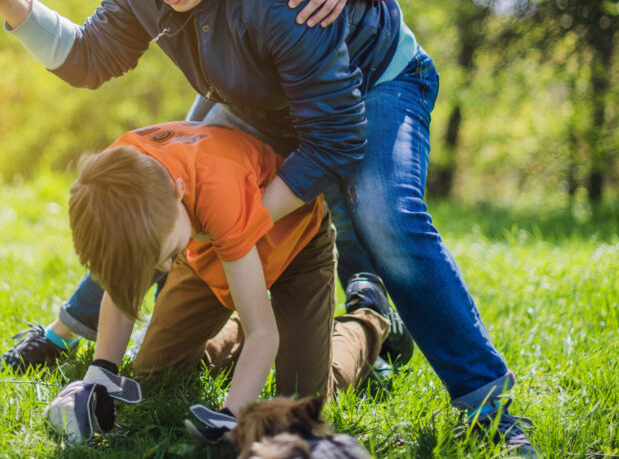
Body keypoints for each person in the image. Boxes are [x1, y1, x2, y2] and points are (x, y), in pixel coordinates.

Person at [0, 0, 535, 455]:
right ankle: (97, 338)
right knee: (155, 194)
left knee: (383, 215)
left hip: (377, 82)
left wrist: (242, 223)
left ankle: (486, 403)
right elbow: (88, 57)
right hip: (268, 93)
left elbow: (337, 138)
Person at [0, 0, 410, 374]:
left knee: (346, 210)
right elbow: (90, 55)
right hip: (246, 92)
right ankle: (77, 325)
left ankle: (366, 314)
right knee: (161, 191)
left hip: (337, 83)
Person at [44, 121, 393, 445]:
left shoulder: (217, 194)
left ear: (178, 190)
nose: (163, 268)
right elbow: (122, 292)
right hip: (211, 244)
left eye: (165, 255)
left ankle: (368, 317)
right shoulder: (119, 184)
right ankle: (251, 310)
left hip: (293, 245)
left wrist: (233, 415)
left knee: (299, 401)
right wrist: (100, 375)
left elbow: (263, 333)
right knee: (155, 371)